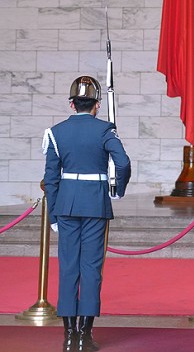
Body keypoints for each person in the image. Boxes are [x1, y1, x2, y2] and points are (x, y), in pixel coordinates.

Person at [43, 75, 132, 352]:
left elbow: (51, 178)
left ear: (72, 104)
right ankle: (85, 334)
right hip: (95, 204)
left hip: (67, 206)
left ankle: (68, 335)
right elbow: (123, 162)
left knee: (68, 267)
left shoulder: (55, 133)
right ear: (96, 105)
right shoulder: (105, 130)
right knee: (91, 269)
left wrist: (54, 216)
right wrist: (117, 189)